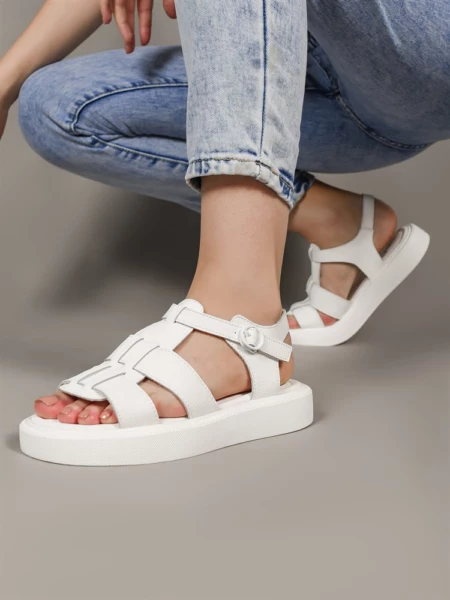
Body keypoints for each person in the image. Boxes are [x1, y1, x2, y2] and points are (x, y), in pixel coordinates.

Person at [3, 0, 439, 465]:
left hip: (421, 54)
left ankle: (238, 317)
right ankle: (339, 223)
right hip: (315, 78)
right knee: (55, 107)